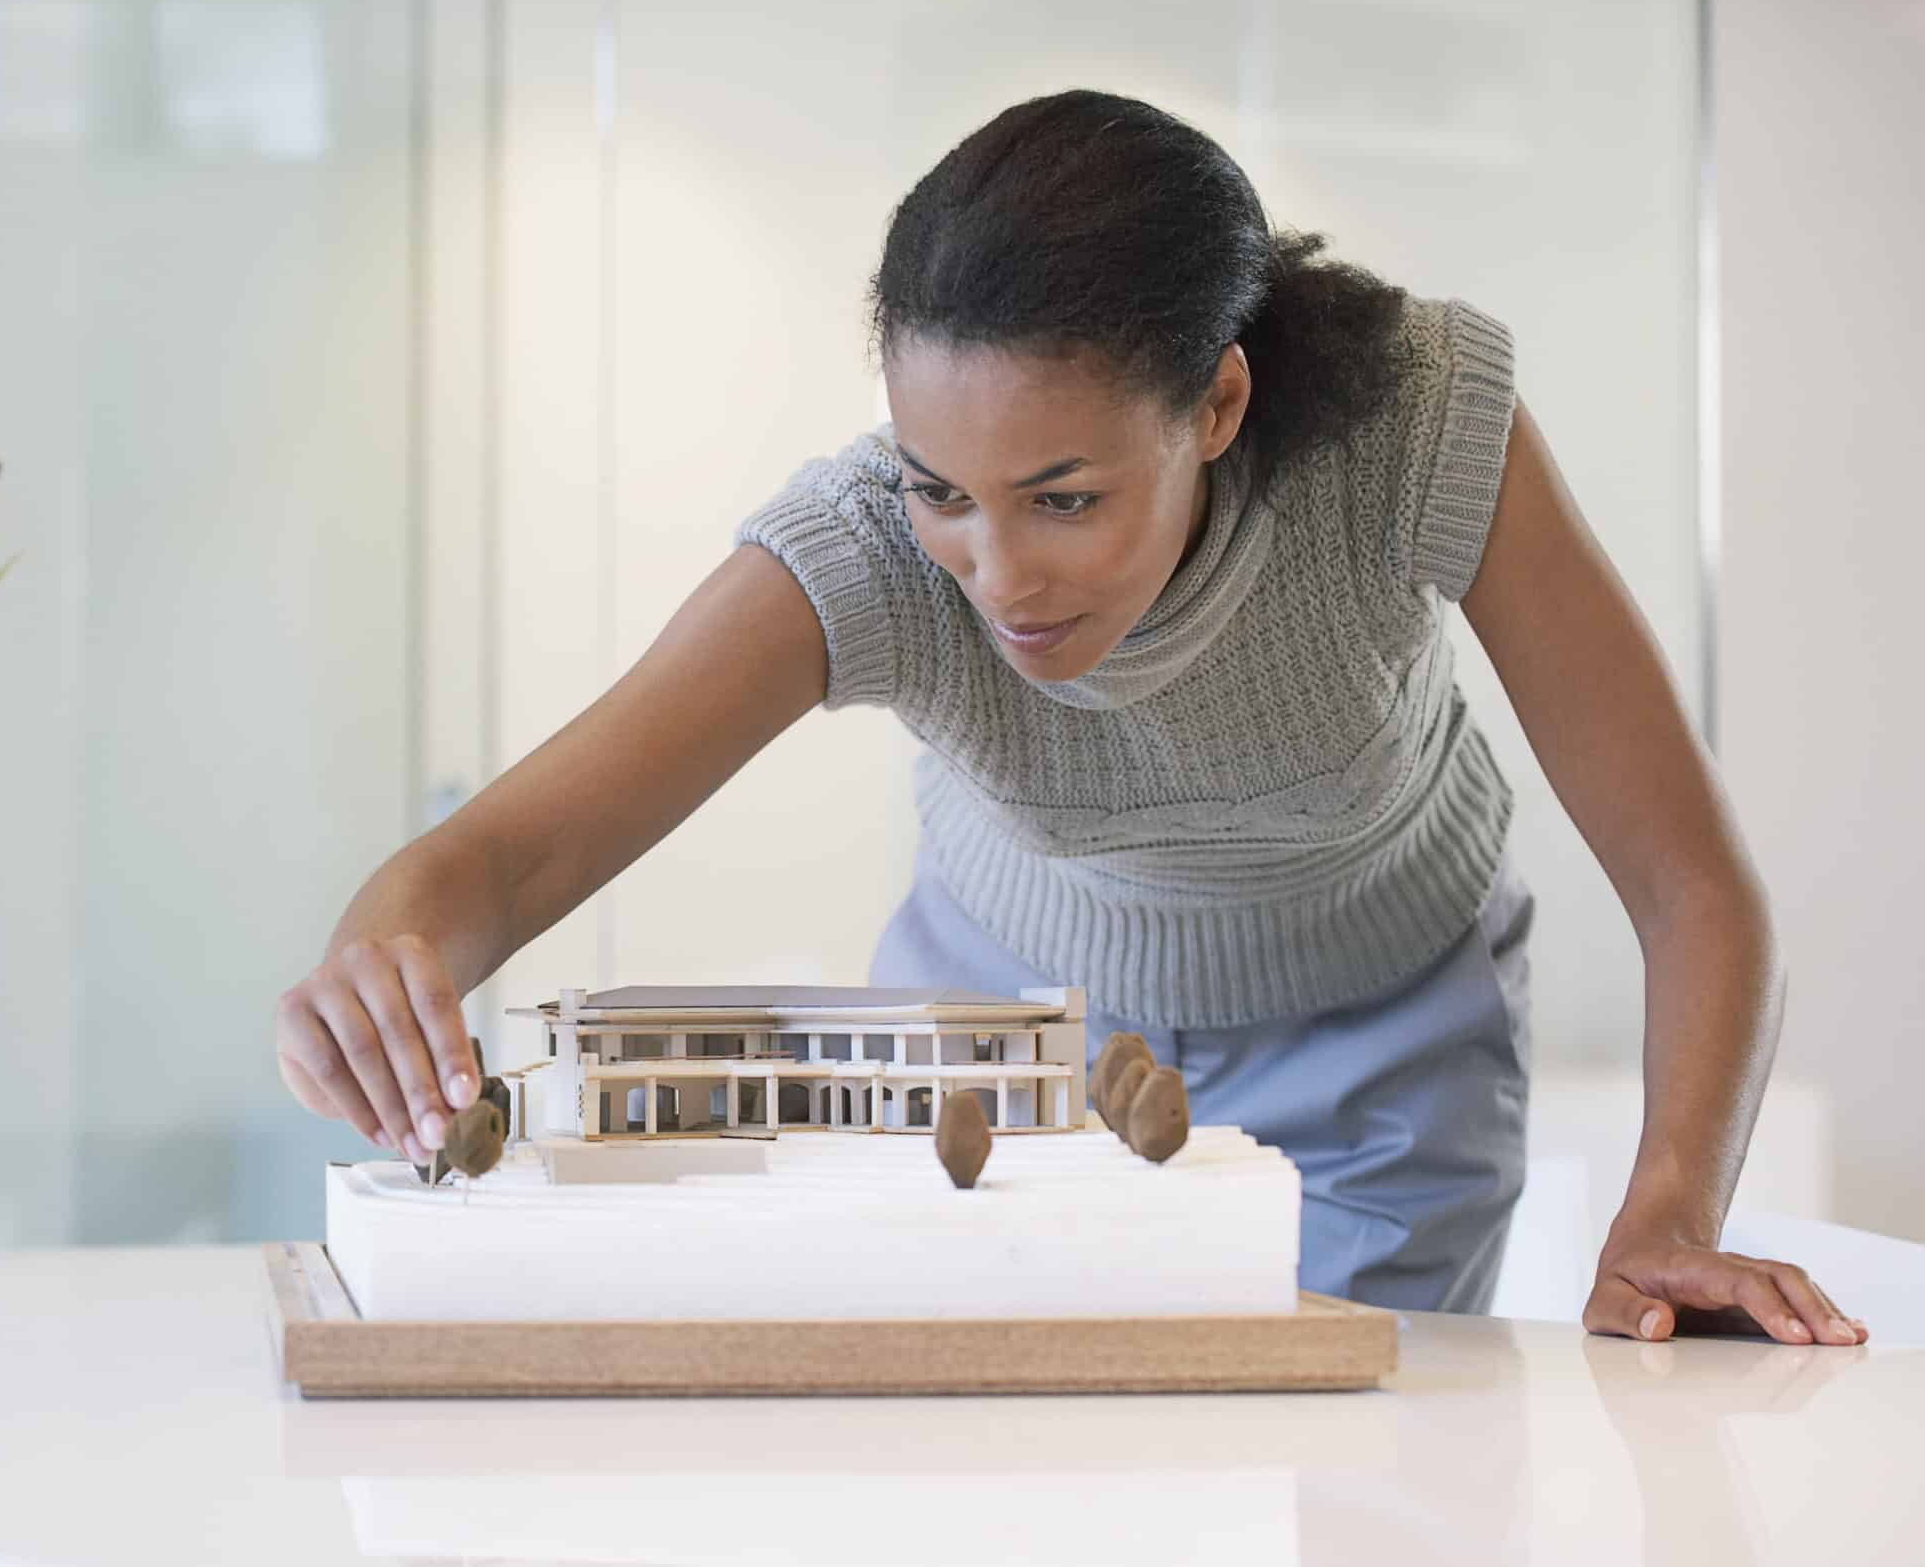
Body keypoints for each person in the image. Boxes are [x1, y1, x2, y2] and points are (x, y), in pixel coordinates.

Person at [271, 89, 1863, 1344]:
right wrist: (381, 973)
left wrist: (1670, 1206)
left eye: (1065, 496)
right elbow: (493, 861)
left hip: (1377, 1047)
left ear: (1219, 406)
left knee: (1342, 1503)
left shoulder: (1414, 422)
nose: (999, 573)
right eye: (942, 491)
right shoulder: (867, 551)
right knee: (995, 1489)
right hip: (1007, 1050)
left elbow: (1690, 883)